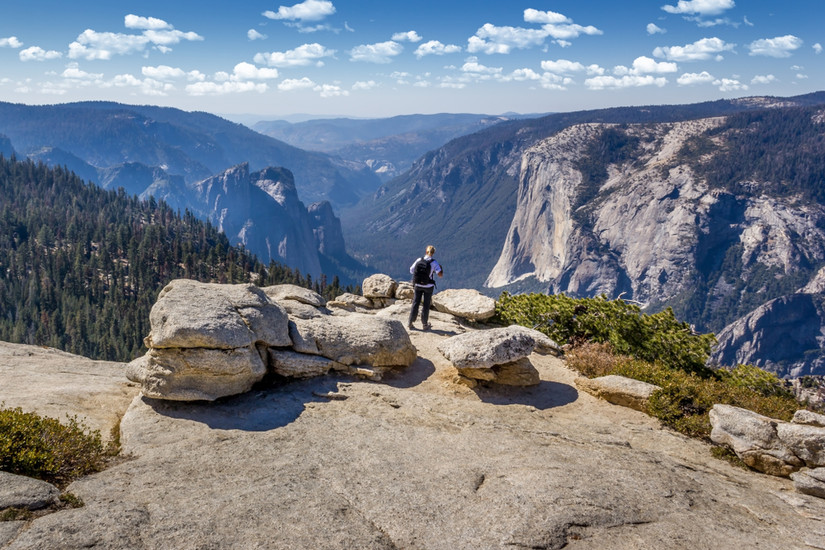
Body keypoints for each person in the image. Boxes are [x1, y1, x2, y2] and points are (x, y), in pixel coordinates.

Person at [408, 245, 443, 330]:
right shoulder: (434, 263)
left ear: (426, 251)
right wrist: (439, 269)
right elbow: (440, 275)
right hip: (428, 286)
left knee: (415, 303)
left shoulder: (419, 260)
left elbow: (411, 270)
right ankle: (424, 324)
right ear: (433, 253)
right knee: (426, 305)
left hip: (417, 285)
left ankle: (410, 322)